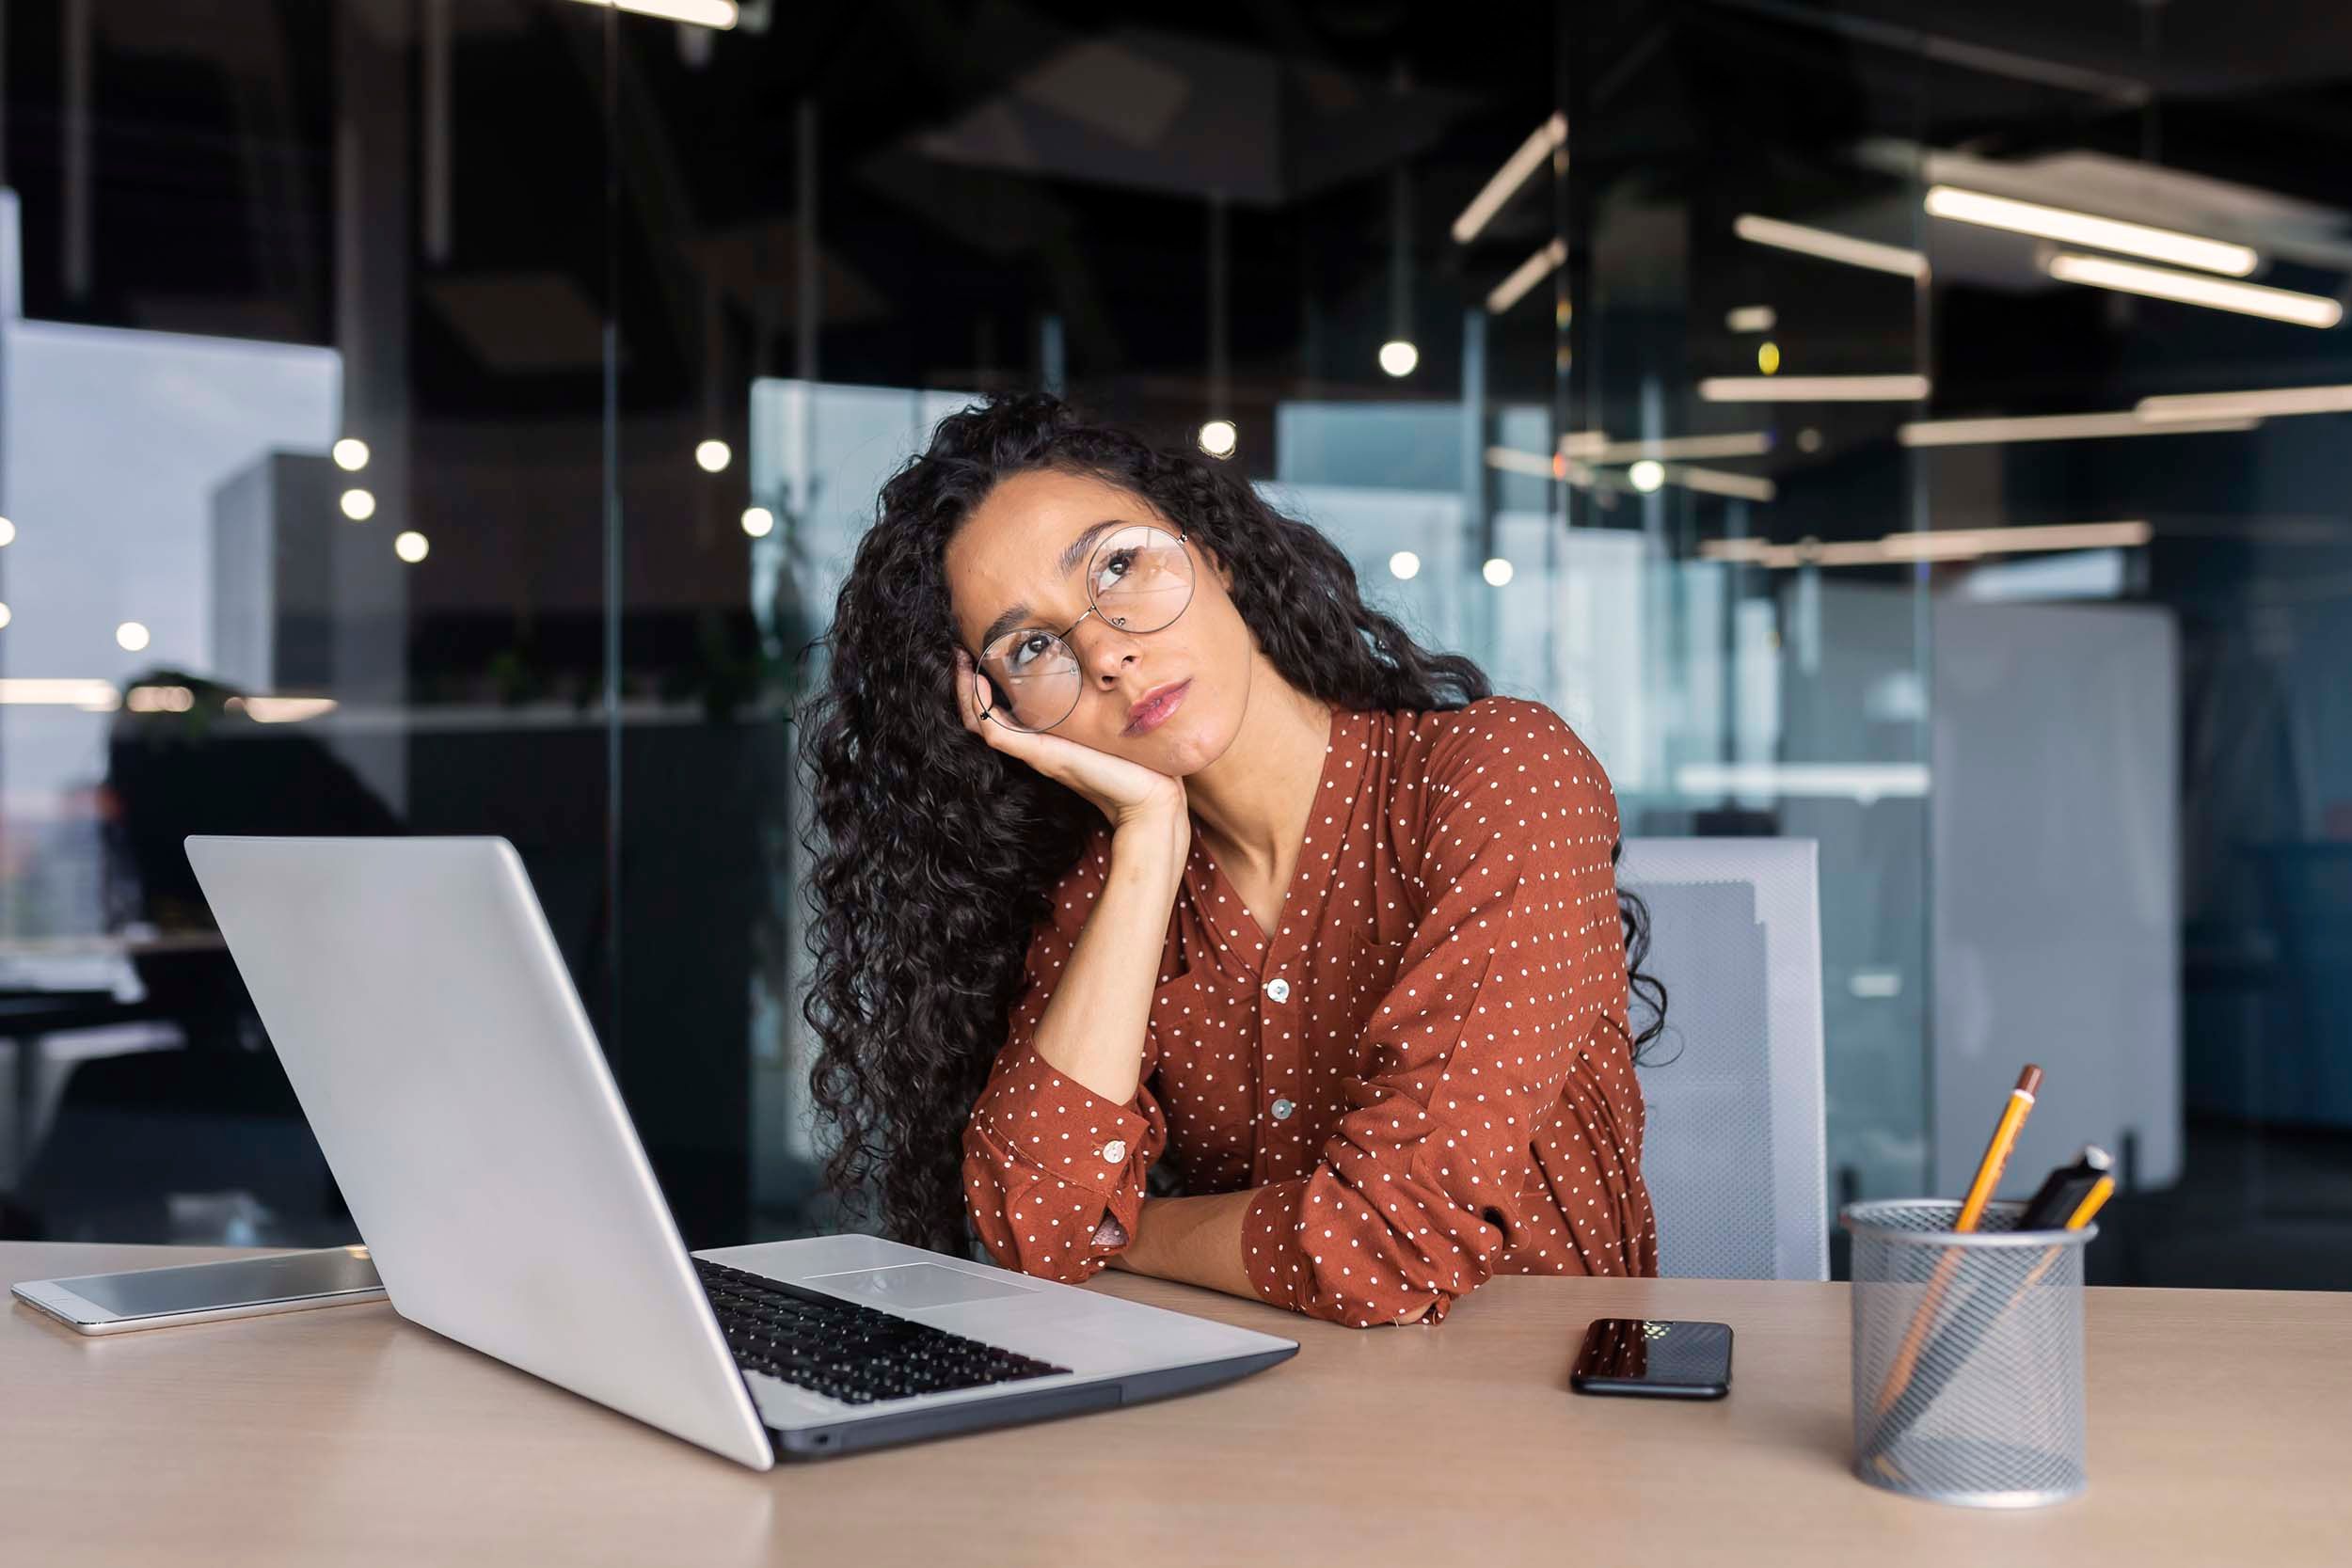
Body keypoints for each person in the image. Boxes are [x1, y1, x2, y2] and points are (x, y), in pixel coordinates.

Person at [803, 394, 1661, 1328]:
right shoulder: (1115, 890)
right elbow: (1033, 1223)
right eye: (1034, 644)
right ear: (1002, 712)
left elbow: (1391, 1238)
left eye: (1119, 564)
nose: (1107, 652)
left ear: (1209, 548)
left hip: (1545, 1420)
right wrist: (1147, 840)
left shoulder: (1499, 773)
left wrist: (1124, 1232)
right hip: (1256, 1425)